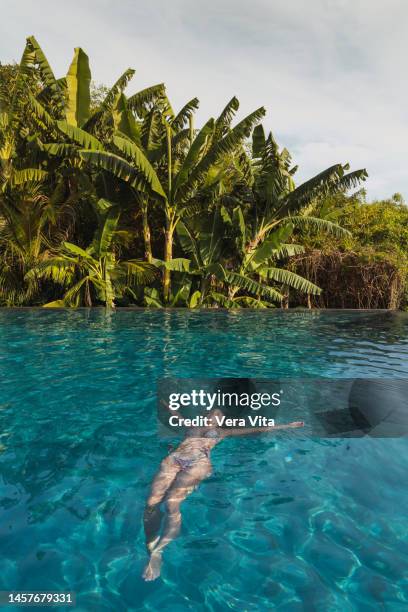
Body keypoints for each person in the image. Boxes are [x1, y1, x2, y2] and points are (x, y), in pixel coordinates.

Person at [142, 380, 304, 581]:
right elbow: (174, 412)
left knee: (171, 504)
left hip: (198, 463)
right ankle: (150, 544)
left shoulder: (223, 432)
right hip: (175, 459)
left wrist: (288, 425)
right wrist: (162, 399)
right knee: (151, 504)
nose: (213, 415)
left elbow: (256, 429)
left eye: (218, 415)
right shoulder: (191, 425)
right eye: (211, 413)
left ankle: (159, 552)